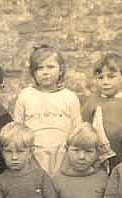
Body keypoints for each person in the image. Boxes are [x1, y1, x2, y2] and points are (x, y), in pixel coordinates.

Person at [13, 45, 82, 175]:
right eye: (40, 68)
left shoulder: (69, 97)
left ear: (61, 70)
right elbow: (17, 129)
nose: (45, 72)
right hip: (33, 155)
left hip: (62, 155)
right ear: (33, 72)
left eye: (50, 67)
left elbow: (77, 131)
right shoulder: (25, 95)